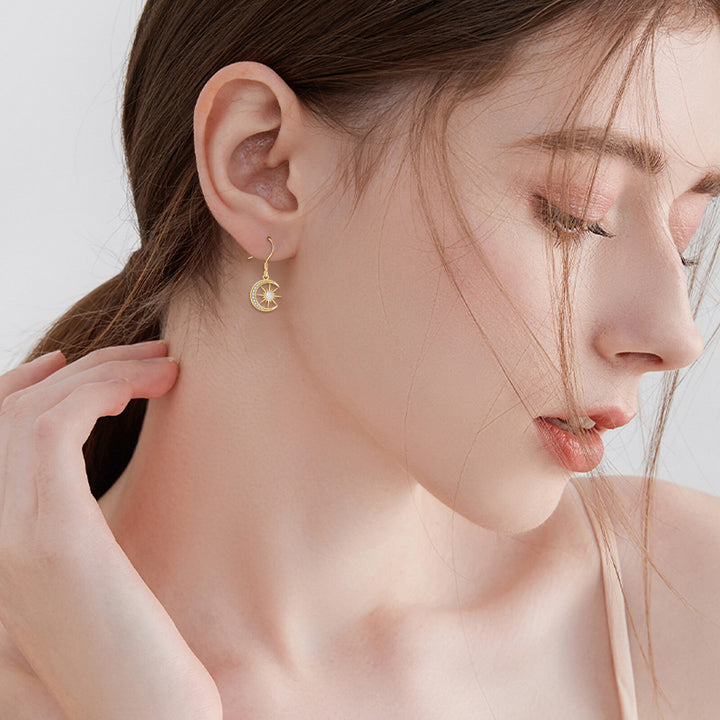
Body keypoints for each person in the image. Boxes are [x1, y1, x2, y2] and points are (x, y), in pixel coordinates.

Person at [1, 1, 720, 718]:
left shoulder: (687, 597)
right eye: (577, 213)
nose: (676, 334)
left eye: (684, 234)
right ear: (265, 165)